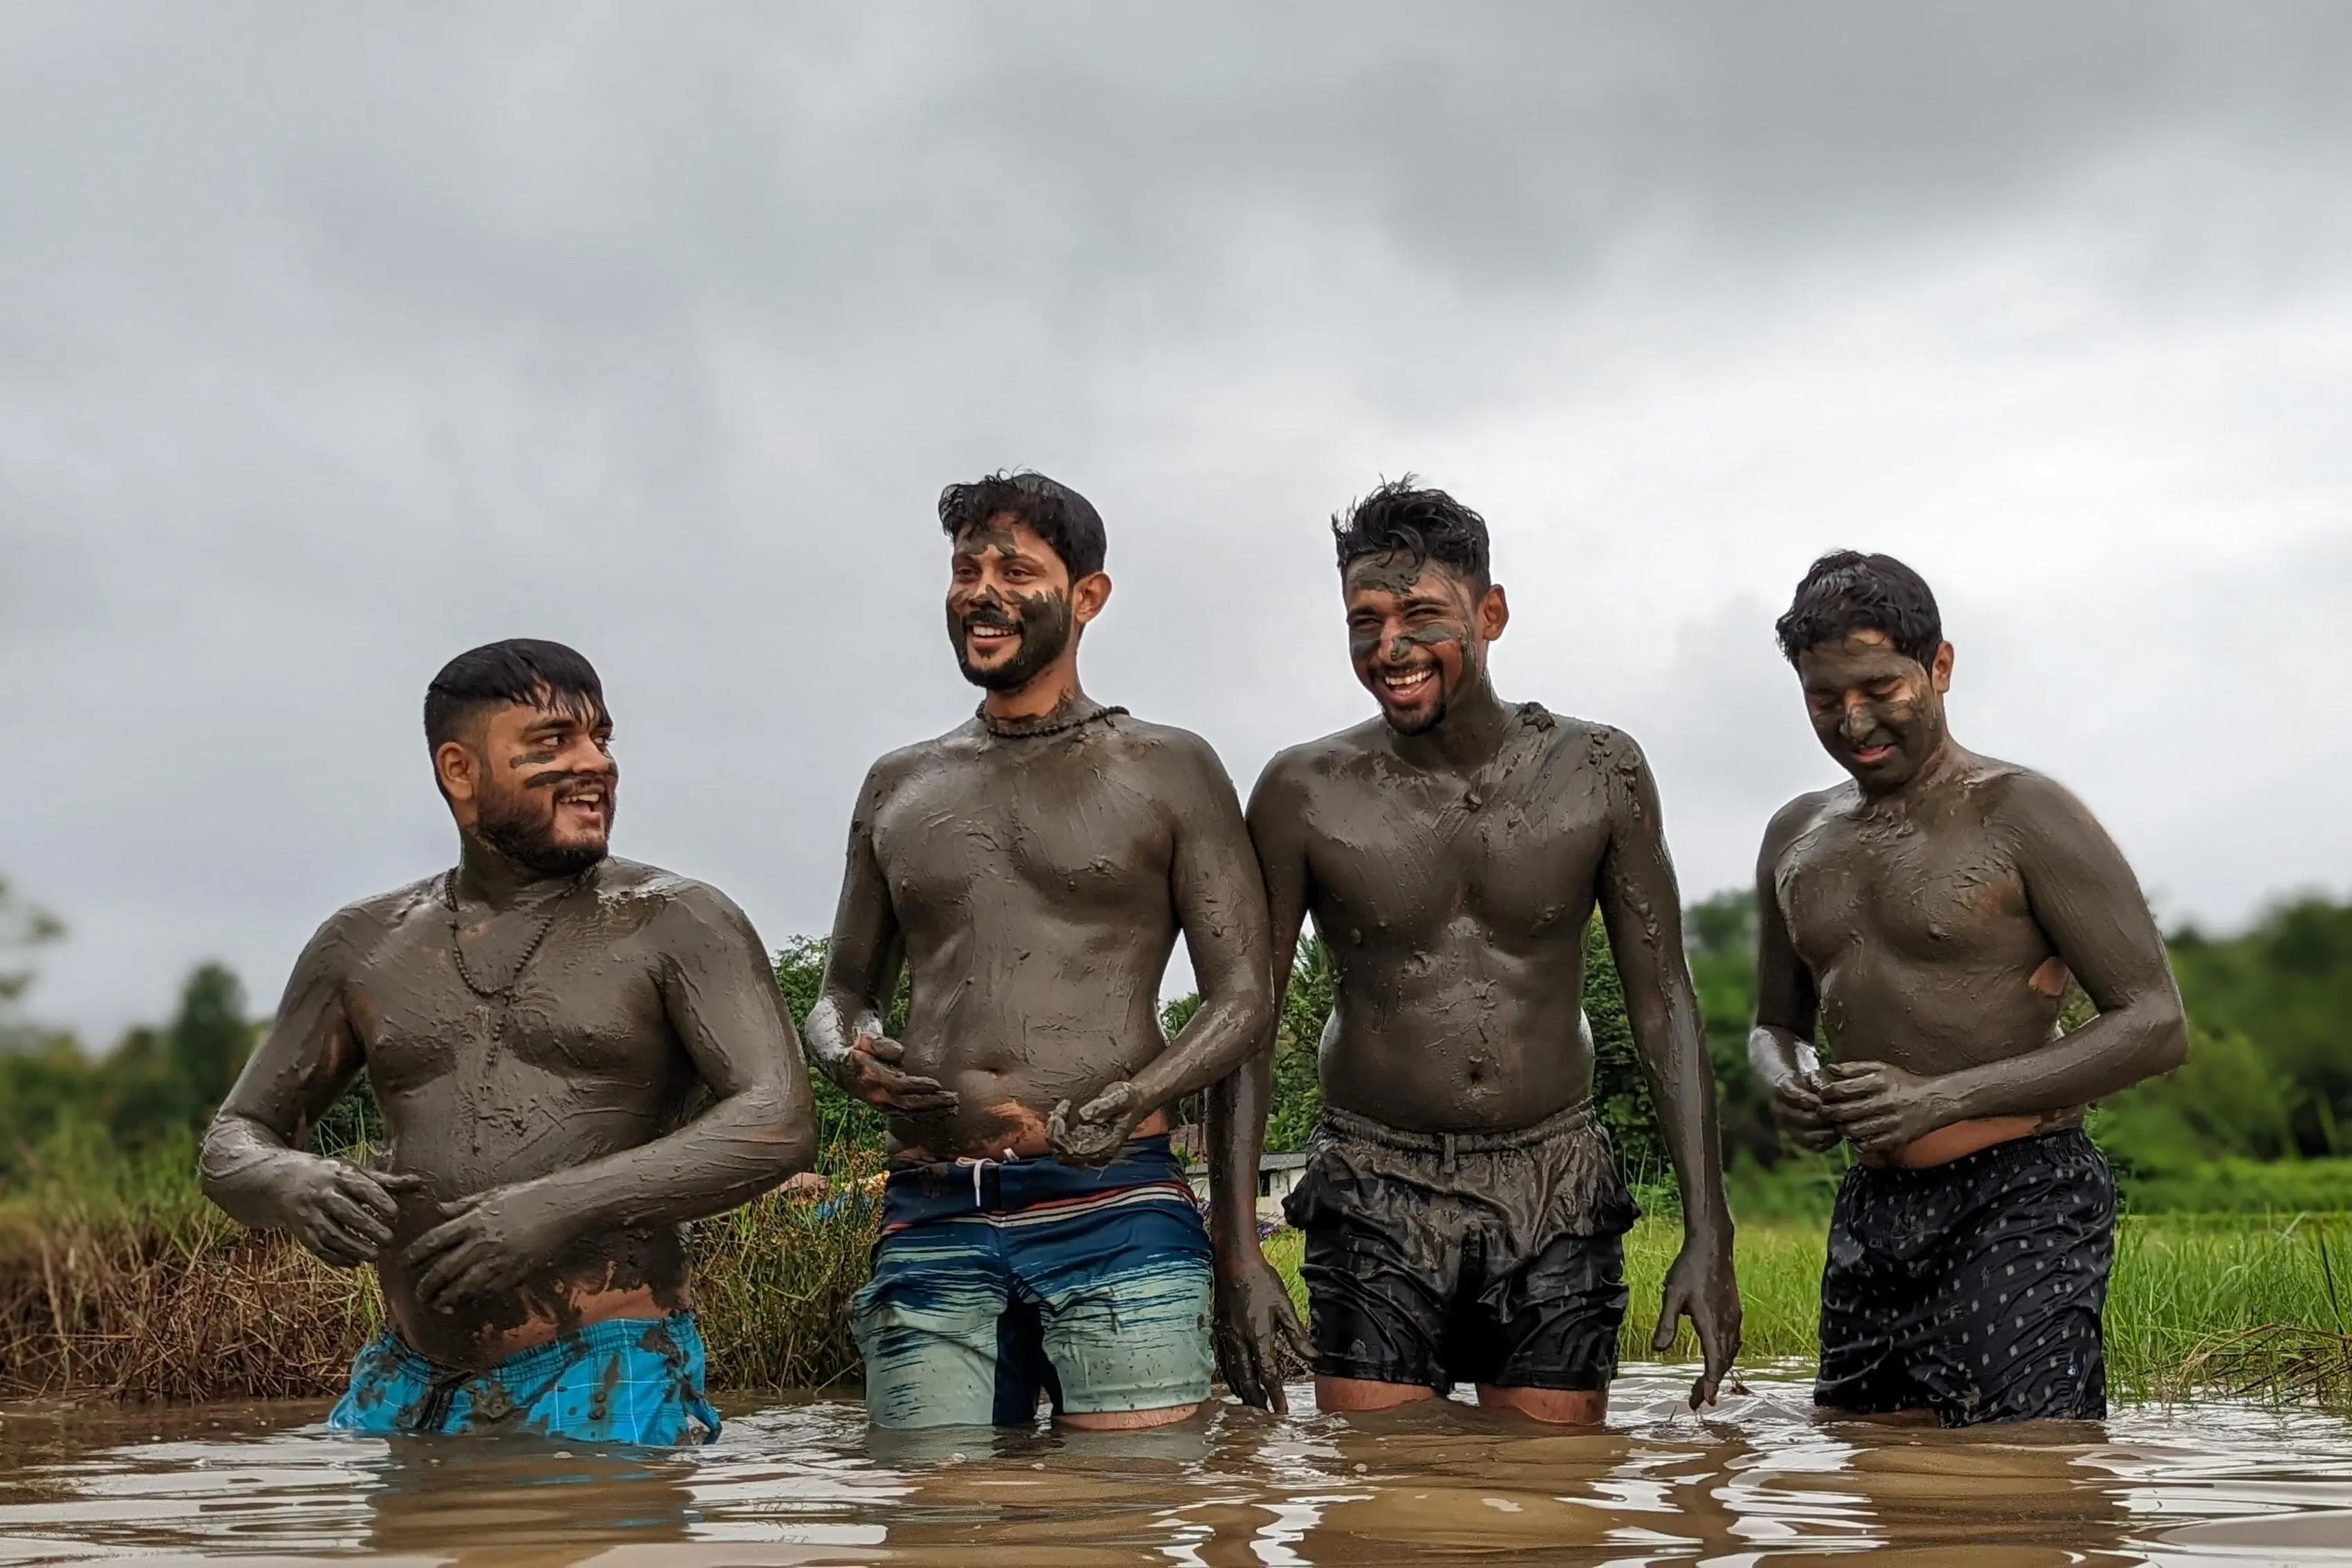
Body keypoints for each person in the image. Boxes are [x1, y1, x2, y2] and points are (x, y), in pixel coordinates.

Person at [202, 639, 814, 1444]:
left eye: (603, 737)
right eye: (553, 743)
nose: (595, 763)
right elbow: (231, 1141)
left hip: (609, 1369)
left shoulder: (678, 920)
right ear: (460, 772)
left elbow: (778, 1122)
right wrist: (292, 1182)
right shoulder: (361, 944)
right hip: (409, 1380)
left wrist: (550, 1210)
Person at [1240, 480, 1740, 1424]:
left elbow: (1663, 1005)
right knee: (1375, 1501)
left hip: (1553, 1176)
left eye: (1420, 615)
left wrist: (1707, 1232)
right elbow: (1247, 1023)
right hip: (1373, 1180)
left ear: (1490, 613)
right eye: (1364, 621)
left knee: (1551, 1508)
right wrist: (1238, 1249)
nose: (1389, 648)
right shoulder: (1303, 791)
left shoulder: (1598, 770)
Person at [808, 470, 1284, 1430]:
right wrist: (842, 1051)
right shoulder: (897, 784)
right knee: (935, 1526)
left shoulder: (1168, 767)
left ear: (1086, 596)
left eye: (1014, 569)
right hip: (932, 1208)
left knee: (1128, 1515)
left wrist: (1141, 1095)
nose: (981, 591)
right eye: (964, 568)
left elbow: (1244, 997)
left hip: (1112, 1202)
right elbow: (842, 989)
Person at [1750, 552, 2188, 1426]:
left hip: (2021, 1192)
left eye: (1882, 687)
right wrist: (1785, 1081)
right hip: (1874, 1207)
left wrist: (1943, 1099)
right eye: (1824, 699)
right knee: (1870, 1468)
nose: (1855, 719)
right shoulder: (1797, 834)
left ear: (1939, 667)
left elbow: (2156, 1023)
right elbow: (1775, 1023)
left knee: (2019, 1482)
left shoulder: (2026, 813)